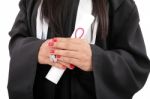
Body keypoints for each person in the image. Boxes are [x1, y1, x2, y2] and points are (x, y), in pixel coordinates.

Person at [7, 0, 150, 99]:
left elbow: (136, 64)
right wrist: (36, 51)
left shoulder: (118, 3)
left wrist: (95, 60)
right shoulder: (33, 1)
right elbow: (17, 42)